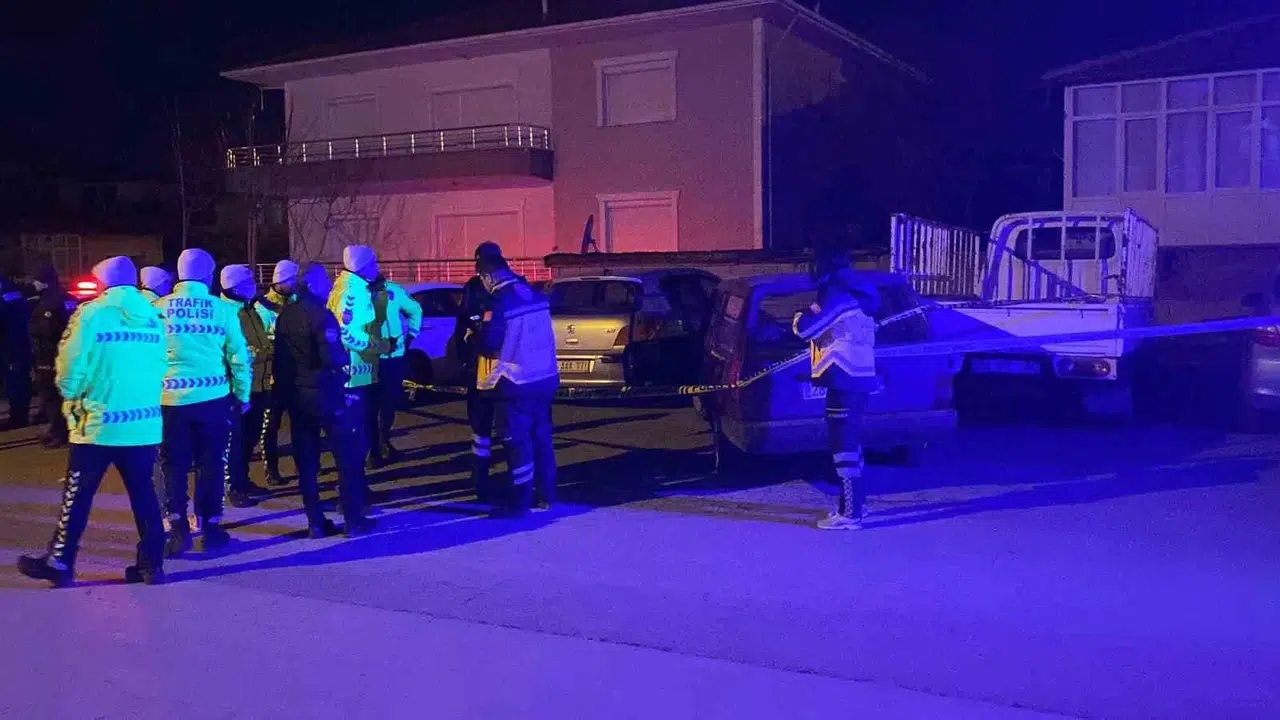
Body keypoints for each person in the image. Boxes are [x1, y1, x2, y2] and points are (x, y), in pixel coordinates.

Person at [16, 256, 169, 587]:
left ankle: (60, 561)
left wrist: (71, 397)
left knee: (78, 495)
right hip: (142, 425)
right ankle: (151, 565)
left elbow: (70, 365)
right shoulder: (153, 316)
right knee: (145, 496)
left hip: (97, 424)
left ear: (103, 282)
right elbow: (161, 365)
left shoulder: (92, 313)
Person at [156, 248, 252, 556]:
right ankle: (210, 528)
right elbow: (238, 356)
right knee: (211, 464)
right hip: (212, 399)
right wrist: (243, 394)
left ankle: (177, 529)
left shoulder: (158, 308)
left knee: (173, 466)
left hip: (169, 401)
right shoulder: (221, 309)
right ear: (208, 276)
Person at [275, 263, 373, 537]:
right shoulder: (322, 316)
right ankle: (353, 520)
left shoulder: (285, 316)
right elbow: (332, 357)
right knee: (346, 457)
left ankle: (315, 522)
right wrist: (343, 364)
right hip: (326, 395)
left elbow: (280, 362)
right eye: (326, 282)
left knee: (307, 463)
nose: (330, 286)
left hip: (297, 398)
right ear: (314, 285)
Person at [792, 246, 880, 530]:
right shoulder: (861, 291)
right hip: (859, 377)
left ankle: (850, 515)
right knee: (851, 443)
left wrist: (801, 314)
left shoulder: (835, 293)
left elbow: (806, 329)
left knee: (843, 447)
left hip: (842, 378)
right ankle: (856, 505)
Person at [474, 245, 559, 516]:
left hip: (516, 381)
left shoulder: (499, 301)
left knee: (517, 442)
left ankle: (520, 501)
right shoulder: (533, 293)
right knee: (542, 439)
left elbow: (490, 343)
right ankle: (546, 495)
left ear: (488, 276)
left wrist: (475, 334)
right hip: (545, 377)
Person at [326, 246, 382, 506]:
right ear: (362, 266)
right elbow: (345, 332)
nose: (377, 267)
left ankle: (356, 489)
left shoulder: (354, 288)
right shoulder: (352, 292)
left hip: (357, 374)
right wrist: (375, 344)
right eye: (373, 263)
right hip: (351, 376)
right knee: (352, 438)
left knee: (356, 437)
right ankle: (350, 495)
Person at [220, 264, 275, 508]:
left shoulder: (249, 309)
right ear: (234, 286)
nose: (254, 285)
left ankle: (243, 480)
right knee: (234, 441)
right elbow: (232, 352)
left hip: (259, 384)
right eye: (248, 281)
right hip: (239, 388)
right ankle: (233, 486)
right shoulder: (227, 313)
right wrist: (260, 353)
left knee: (249, 438)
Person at [366, 269, 422, 467]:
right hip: (369, 359)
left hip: (394, 358)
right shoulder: (358, 293)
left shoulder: (393, 290)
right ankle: (373, 450)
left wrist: (411, 335)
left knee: (388, 404)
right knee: (370, 406)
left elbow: (415, 310)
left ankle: (383, 443)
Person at [258, 259, 298, 487]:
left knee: (299, 422)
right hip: (272, 377)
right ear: (282, 280)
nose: (295, 283)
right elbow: (261, 340)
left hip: (295, 374)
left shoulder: (296, 302)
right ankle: (271, 470)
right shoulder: (263, 307)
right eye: (292, 279)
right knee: (270, 426)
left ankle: (303, 464)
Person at [28, 265, 77, 448]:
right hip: (68, 353)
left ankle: (58, 433)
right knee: (64, 395)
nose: (34, 284)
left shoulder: (48, 302)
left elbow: (48, 329)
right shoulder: (68, 298)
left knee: (51, 395)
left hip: (50, 355)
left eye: (37, 280)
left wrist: (33, 328)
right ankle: (63, 430)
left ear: (45, 282)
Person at [1, 272, 32, 430]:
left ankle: (18, 418)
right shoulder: (14, 294)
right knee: (18, 382)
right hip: (17, 345)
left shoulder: (6, 298)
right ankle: (19, 415)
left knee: (16, 383)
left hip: (12, 347)